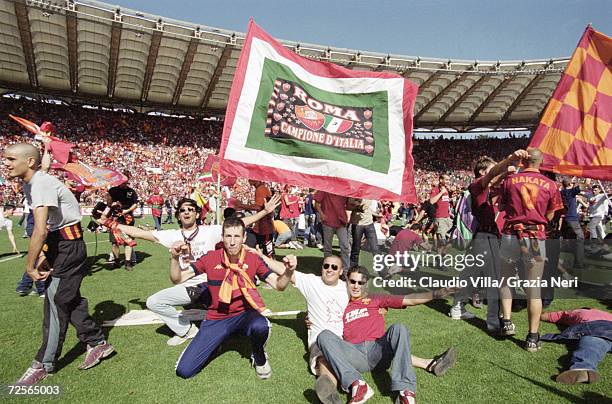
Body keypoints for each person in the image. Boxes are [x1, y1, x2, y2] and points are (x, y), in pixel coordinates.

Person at [94, 195, 281, 346]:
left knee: (234, 308)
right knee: (154, 302)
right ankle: (187, 330)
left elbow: (241, 224)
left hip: (214, 285)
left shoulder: (210, 231)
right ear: (177, 215)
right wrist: (111, 224)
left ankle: (244, 320)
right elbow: (140, 233)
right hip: (189, 286)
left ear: (197, 213)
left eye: (191, 209)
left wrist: (264, 211)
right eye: (182, 210)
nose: (186, 212)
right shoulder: (171, 236)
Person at [4, 143, 114, 386]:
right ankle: (97, 342)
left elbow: (40, 230)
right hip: (61, 242)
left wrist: (30, 266)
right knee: (67, 297)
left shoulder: (40, 183)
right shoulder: (34, 180)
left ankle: (44, 363)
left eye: (11, 159)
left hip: (68, 245)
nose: (7, 163)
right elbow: (48, 230)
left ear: (29, 162)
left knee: (55, 300)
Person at [291, 257, 456, 404]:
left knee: (399, 328)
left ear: (366, 284)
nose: (355, 286)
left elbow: (410, 299)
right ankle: (357, 384)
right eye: (352, 282)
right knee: (324, 335)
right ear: (346, 282)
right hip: (354, 354)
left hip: (378, 350)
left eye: (360, 283)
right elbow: (323, 312)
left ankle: (406, 393)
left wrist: (437, 293)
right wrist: (308, 318)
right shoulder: (341, 301)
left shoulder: (376, 299)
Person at [174, 217, 296, 379]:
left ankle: (259, 356)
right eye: (228, 236)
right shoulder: (211, 258)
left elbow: (279, 285)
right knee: (184, 371)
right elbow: (177, 278)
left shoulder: (253, 259)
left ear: (244, 238)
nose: (232, 242)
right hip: (217, 317)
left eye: (236, 237)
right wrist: (174, 258)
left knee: (261, 326)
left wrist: (288, 271)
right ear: (222, 237)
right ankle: (218, 339)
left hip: (245, 315)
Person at [450, 151, 527, 325]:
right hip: (485, 237)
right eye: (493, 169)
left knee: (470, 274)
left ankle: (457, 308)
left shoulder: (488, 188)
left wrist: (508, 172)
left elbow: (497, 179)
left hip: (486, 237)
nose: (496, 172)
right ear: (483, 172)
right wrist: (509, 159)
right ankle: (495, 318)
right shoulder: (478, 185)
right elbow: (494, 176)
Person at [497, 148, 564, 351]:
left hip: (511, 235)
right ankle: (532, 337)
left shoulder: (510, 180)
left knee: (506, 280)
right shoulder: (550, 185)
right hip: (534, 237)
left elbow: (501, 207)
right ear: (540, 162)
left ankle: (506, 322)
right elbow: (551, 216)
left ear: (525, 161)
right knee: (534, 288)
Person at [541, 308, 611, 385]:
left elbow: (553, 316)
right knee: (597, 343)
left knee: (592, 345)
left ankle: (584, 367)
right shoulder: (609, 315)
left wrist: (539, 313)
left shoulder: (578, 312)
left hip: (597, 328)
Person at [107, 172, 139, 270]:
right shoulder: (112, 190)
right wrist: (112, 204)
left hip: (128, 219)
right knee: (114, 242)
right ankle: (116, 261)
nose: (124, 182)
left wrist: (127, 211)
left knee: (128, 241)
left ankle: (128, 262)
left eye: (126, 180)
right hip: (115, 219)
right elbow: (108, 203)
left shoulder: (131, 191)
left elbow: (135, 204)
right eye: (123, 180)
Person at [314, 190, 350, 272]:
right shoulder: (325, 188)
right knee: (328, 247)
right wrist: (322, 215)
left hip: (341, 222)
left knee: (345, 246)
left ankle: (346, 270)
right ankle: (327, 267)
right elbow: (316, 203)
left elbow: (348, 205)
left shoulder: (344, 189)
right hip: (328, 221)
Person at [560, 178, 586, 270]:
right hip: (572, 219)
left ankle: (563, 261)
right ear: (570, 184)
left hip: (565, 219)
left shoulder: (561, 192)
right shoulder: (570, 192)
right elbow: (585, 186)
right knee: (580, 238)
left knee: (569, 240)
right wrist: (586, 176)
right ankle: (578, 263)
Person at [348, 198, 379, 268]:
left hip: (369, 223)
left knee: (375, 248)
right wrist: (358, 207)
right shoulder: (353, 195)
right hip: (357, 224)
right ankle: (353, 269)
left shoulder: (369, 195)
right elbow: (348, 207)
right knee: (355, 249)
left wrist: (376, 215)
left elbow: (368, 209)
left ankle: (384, 273)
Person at [429, 174, 452, 252]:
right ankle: (440, 259)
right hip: (440, 218)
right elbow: (432, 201)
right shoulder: (436, 189)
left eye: (449, 180)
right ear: (441, 180)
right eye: (446, 180)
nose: (448, 181)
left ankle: (441, 257)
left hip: (448, 218)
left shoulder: (447, 189)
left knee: (451, 239)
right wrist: (441, 193)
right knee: (442, 241)